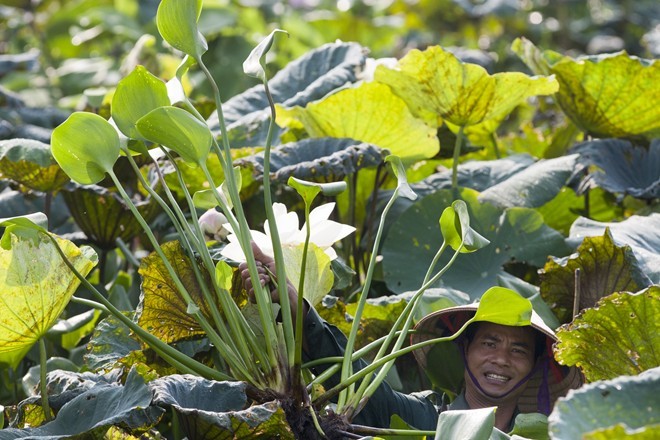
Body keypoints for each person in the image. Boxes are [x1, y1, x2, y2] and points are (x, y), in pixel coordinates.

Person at [240, 244, 583, 432]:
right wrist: (296, 307)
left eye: (518, 350)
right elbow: (370, 394)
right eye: (489, 343)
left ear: (537, 364)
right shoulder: (422, 421)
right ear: (465, 348)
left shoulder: (541, 436)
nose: (501, 359)